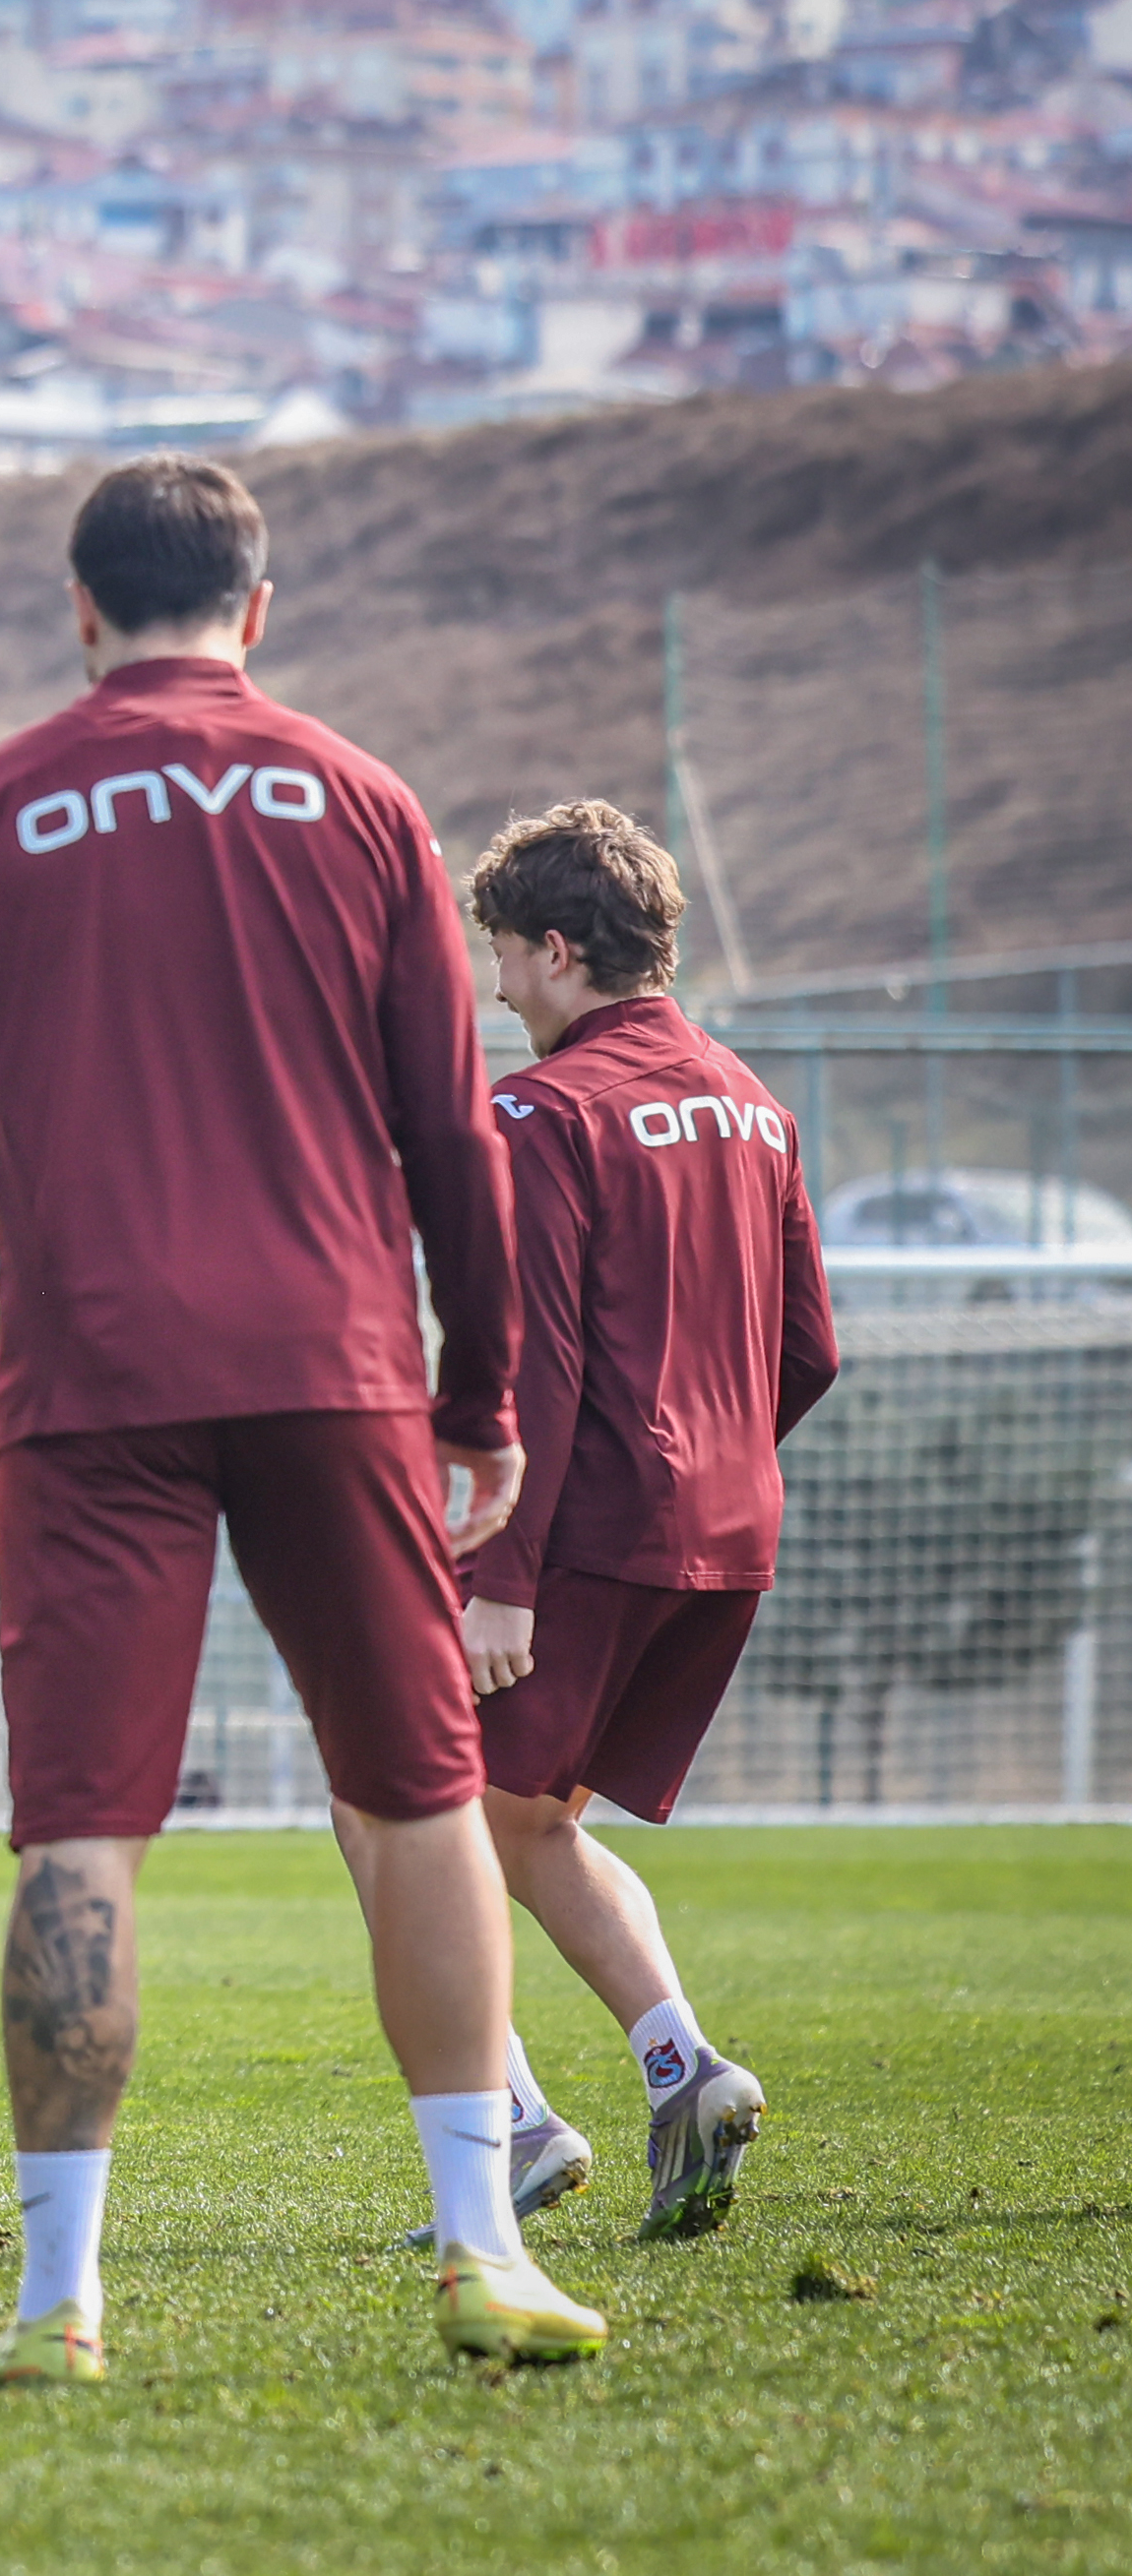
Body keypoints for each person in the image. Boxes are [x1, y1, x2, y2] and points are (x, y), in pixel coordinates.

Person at [0, 455, 610, 2379]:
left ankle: (53, 2301)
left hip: (83, 1383)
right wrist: (476, 1384)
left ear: (77, 614)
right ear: (254, 613)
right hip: (331, 1363)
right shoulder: (358, 805)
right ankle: (475, 2245)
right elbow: (445, 1134)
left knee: (76, 1834)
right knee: (414, 1798)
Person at [366, 801, 832, 2244]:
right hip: (720, 1535)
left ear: (557, 949)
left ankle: (510, 2120)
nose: (495, 987)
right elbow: (806, 1350)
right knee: (526, 1825)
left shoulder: (540, 1111)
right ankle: (675, 2073)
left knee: (379, 1789)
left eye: (501, 955)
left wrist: (496, 1578)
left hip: (578, 1539)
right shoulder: (753, 1101)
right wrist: (709, 1467)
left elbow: (533, 1365)